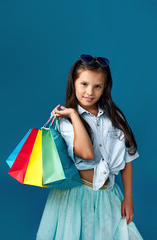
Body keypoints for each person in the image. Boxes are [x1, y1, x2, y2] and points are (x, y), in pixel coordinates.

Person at [36, 54, 143, 239]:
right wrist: (75, 116)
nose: (90, 92)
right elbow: (85, 153)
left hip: (108, 195)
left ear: (105, 88)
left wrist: (128, 198)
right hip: (76, 197)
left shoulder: (115, 117)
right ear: (74, 84)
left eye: (97, 86)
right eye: (84, 84)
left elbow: (127, 160)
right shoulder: (66, 121)